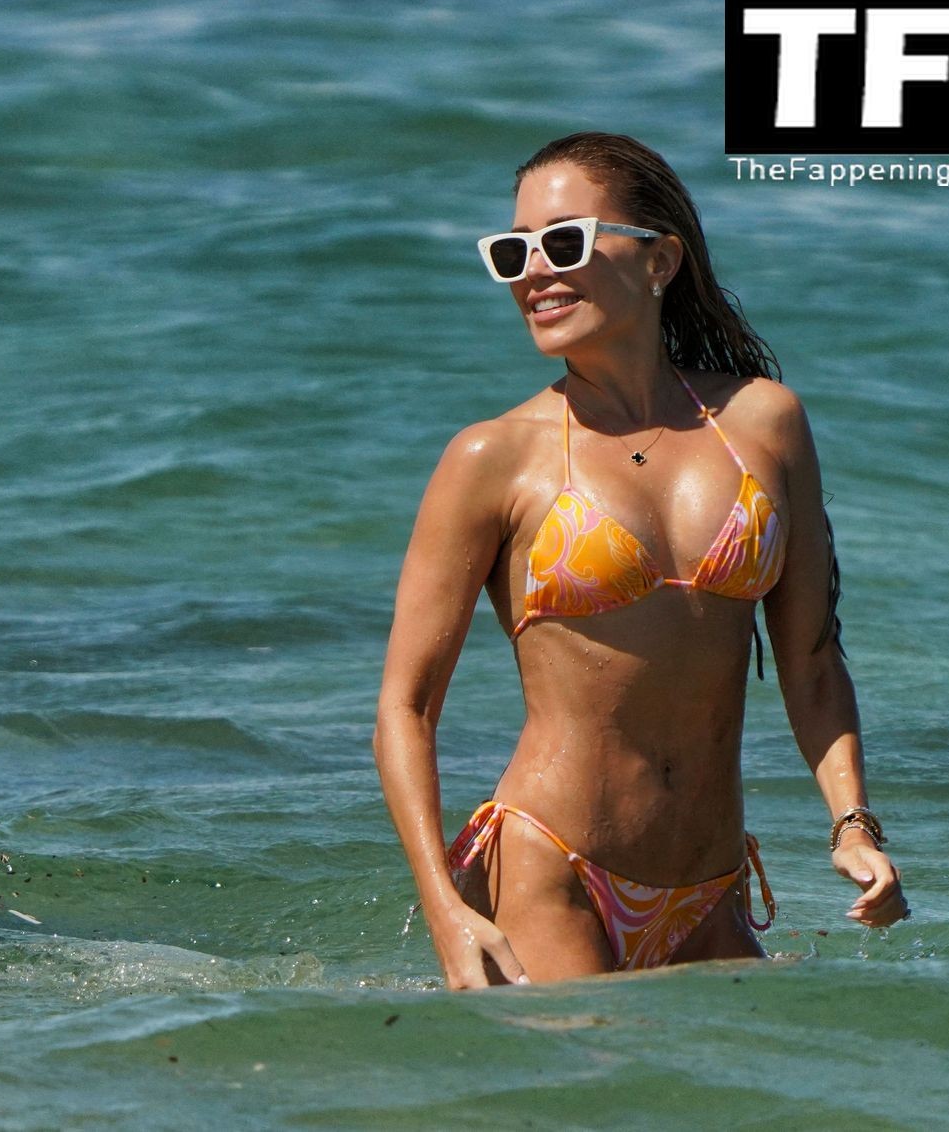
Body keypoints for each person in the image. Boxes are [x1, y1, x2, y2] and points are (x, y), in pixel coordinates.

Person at [373, 132, 906, 989]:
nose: (534, 273)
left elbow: (811, 660)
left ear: (659, 260)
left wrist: (853, 824)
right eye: (513, 253)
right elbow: (406, 707)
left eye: (564, 243)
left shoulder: (764, 423)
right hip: (549, 867)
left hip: (710, 888)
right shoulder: (493, 457)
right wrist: (445, 908)